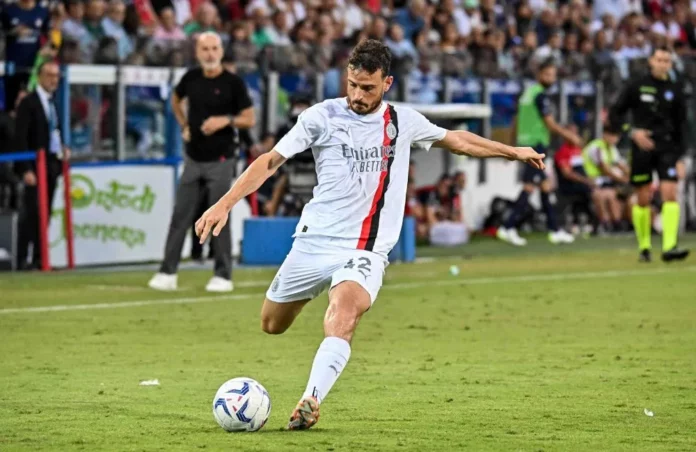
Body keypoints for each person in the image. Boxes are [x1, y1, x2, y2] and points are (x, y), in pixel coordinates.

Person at [194, 40, 545, 430]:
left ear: (387, 83)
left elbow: (458, 140)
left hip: (365, 248)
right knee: (272, 324)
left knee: (345, 313)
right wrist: (225, 203)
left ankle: (311, 398)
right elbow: (271, 161)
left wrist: (510, 150)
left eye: (368, 88)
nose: (358, 96)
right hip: (314, 241)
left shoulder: (403, 121)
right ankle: (319, 292)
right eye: (353, 85)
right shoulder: (320, 116)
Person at [148, 32, 255, 292]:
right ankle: (167, 271)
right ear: (197, 52)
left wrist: (225, 121)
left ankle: (223, 274)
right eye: (205, 49)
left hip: (221, 159)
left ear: (221, 51)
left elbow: (249, 118)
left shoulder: (233, 83)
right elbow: (175, 100)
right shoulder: (191, 78)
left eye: (214, 48)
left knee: (218, 215)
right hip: (193, 157)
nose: (210, 53)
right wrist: (184, 124)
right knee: (180, 215)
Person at [608, 46, 689, 262]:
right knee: (643, 197)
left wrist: (681, 156)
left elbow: (683, 124)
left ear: (670, 64)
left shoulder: (677, 87)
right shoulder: (636, 85)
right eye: (659, 59)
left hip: (668, 147)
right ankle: (644, 246)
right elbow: (615, 112)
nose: (663, 64)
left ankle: (669, 246)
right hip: (642, 147)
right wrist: (631, 132)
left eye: (667, 60)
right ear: (651, 61)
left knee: (669, 193)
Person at [496, 58, 581, 246]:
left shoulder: (527, 93)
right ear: (539, 75)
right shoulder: (540, 95)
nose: (551, 79)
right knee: (529, 186)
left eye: (553, 75)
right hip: (535, 145)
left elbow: (516, 120)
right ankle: (508, 227)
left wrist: (510, 145)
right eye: (548, 75)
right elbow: (549, 123)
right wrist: (570, 137)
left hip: (525, 143)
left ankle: (554, 230)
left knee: (545, 187)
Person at [13, 61, 69, 270]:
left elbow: (55, 131)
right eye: (49, 75)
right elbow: (21, 138)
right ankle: (22, 259)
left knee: (45, 214)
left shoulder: (54, 102)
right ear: (39, 76)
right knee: (31, 213)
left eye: (56, 76)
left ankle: (39, 258)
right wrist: (26, 168)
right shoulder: (29, 103)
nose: (54, 80)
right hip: (35, 166)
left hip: (52, 163)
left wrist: (63, 147)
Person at [581, 125, 630, 233]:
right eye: (612, 136)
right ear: (605, 135)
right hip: (592, 181)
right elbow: (604, 169)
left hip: (606, 182)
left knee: (615, 195)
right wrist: (622, 179)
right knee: (606, 195)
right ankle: (605, 223)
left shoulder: (612, 148)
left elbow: (621, 165)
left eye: (617, 136)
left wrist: (630, 175)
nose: (615, 139)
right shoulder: (596, 148)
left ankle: (617, 223)